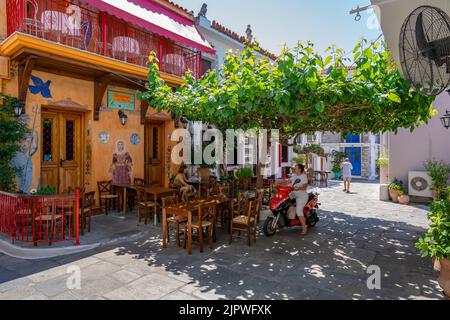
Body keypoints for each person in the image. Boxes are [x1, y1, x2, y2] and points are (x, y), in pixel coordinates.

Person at [290, 164, 309, 236]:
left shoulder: (303, 176)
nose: (294, 169)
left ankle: (304, 228)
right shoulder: (294, 175)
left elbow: (305, 187)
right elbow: (288, 181)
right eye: (294, 167)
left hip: (302, 196)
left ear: (300, 169)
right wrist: (279, 183)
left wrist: (298, 188)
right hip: (293, 194)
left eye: (296, 168)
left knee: (299, 211)